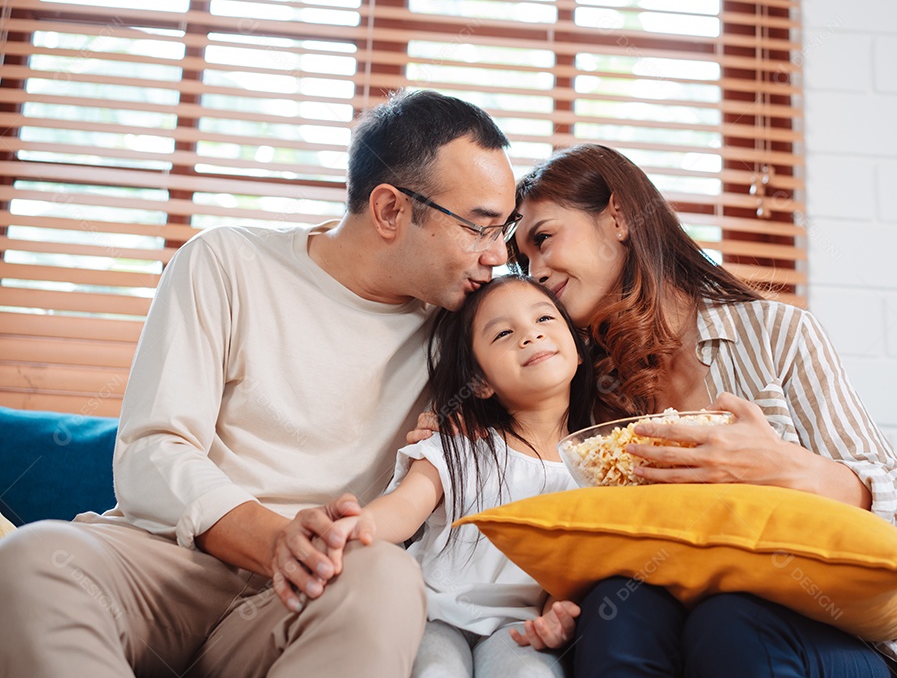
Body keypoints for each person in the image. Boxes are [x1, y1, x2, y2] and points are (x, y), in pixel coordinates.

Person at [0, 89, 520, 678]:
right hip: (168, 565)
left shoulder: (470, 332)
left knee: (386, 576)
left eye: (507, 228)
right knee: (30, 560)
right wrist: (273, 538)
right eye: (479, 228)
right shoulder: (225, 262)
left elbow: (564, 398)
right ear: (390, 211)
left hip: (305, 599)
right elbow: (151, 449)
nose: (497, 255)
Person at [508, 143, 897, 678]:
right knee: (616, 609)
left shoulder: (779, 333)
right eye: (524, 260)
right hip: (679, 620)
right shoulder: (593, 390)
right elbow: (595, 537)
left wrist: (778, 466)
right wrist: (560, 606)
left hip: (827, 629)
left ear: (617, 216)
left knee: (733, 619)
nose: (536, 271)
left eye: (543, 239)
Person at [342, 275, 590, 677]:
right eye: (504, 333)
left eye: (544, 318)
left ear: (579, 352)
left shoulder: (594, 472)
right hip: (432, 612)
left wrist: (554, 615)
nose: (530, 335)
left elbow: (570, 573)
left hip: (518, 627)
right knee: (436, 670)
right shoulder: (457, 444)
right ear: (480, 383)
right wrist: (356, 525)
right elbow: (406, 506)